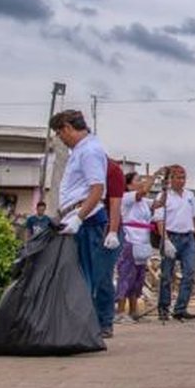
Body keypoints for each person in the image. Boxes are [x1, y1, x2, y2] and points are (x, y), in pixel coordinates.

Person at [49, 110, 116, 333]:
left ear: (68, 127)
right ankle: (79, 327)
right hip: (76, 218)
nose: (61, 138)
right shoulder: (80, 151)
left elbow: (97, 189)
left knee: (84, 276)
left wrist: (78, 218)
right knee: (77, 275)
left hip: (86, 220)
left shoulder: (89, 151)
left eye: (60, 133)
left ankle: (84, 328)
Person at [152, 164, 195, 321]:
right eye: (178, 178)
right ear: (171, 179)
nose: (182, 181)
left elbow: (194, 217)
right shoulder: (163, 196)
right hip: (171, 236)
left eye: (183, 178)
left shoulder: (189, 196)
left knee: (190, 273)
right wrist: (165, 240)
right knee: (167, 274)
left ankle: (180, 308)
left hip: (188, 237)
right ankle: (163, 307)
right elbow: (160, 220)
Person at [93, 157, 126, 338]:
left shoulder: (112, 170)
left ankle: (105, 322)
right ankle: (89, 320)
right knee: (88, 277)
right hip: (87, 226)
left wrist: (112, 231)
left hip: (107, 228)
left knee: (102, 276)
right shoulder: (80, 164)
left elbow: (115, 203)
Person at [117, 173, 155, 322]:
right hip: (130, 240)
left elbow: (159, 204)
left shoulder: (144, 202)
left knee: (138, 278)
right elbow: (142, 192)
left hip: (142, 242)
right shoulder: (127, 198)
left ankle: (133, 311)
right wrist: (153, 178)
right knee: (126, 275)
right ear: (129, 185)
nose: (141, 182)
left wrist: (165, 188)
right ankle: (120, 311)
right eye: (138, 180)